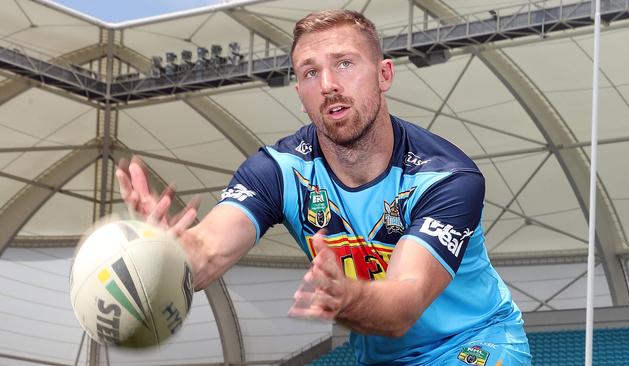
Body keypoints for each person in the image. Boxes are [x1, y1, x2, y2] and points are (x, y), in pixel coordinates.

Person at [116, 9, 531, 366]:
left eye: (345, 63)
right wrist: (166, 255)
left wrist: (346, 299)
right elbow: (206, 252)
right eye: (311, 72)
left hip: (475, 343)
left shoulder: (446, 177)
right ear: (300, 94)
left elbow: (405, 303)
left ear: (384, 74)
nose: (328, 83)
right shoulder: (278, 171)